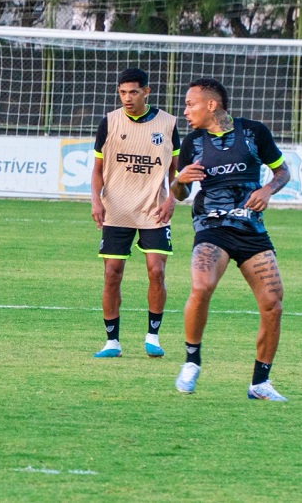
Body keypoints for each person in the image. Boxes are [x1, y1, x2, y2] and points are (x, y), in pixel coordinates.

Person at [171, 78, 290, 400]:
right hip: (212, 227)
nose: (185, 112)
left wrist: (267, 190)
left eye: (190, 104)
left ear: (212, 105)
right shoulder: (192, 143)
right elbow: (181, 194)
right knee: (201, 286)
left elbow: (282, 172)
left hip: (251, 229)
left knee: (273, 304)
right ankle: (191, 362)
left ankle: (260, 383)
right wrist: (178, 181)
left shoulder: (254, 132)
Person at [90, 68, 180, 358]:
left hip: (154, 209)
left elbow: (176, 171)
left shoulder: (168, 124)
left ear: (146, 92)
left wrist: (172, 200)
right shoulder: (109, 122)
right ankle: (112, 342)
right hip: (116, 210)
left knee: (157, 271)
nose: (127, 98)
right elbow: (97, 169)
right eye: (122, 93)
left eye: (133, 92)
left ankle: (153, 336)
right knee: (111, 274)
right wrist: (95, 199)